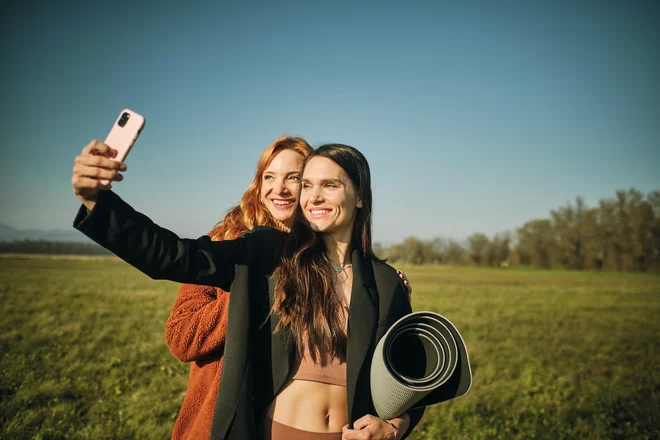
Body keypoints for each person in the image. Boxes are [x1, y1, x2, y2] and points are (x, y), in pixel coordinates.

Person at [72, 141, 422, 440]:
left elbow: (413, 381)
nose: (314, 196)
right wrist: (97, 203)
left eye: (329, 185)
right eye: (308, 186)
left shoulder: (386, 283)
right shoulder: (270, 254)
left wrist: (393, 427)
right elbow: (177, 256)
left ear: (359, 196)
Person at [164, 136, 313, 440]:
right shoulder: (225, 241)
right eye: (269, 177)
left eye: (293, 178)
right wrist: (247, 292)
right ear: (259, 184)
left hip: (288, 425)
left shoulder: (315, 257)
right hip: (219, 423)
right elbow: (181, 337)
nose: (279, 188)